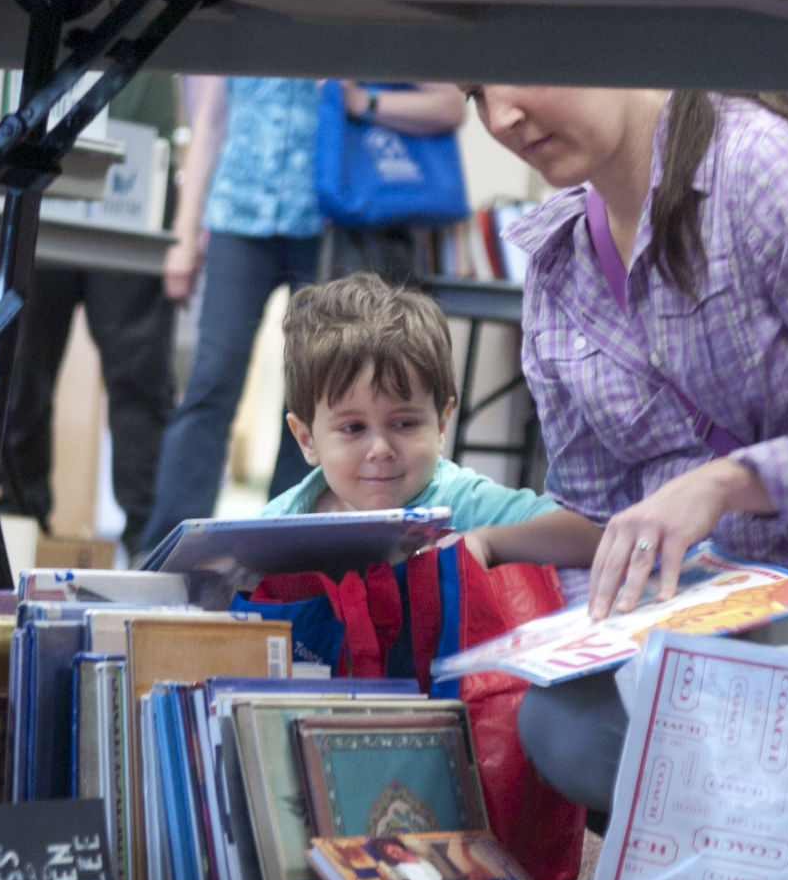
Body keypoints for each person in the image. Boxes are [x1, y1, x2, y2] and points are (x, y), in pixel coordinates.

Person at [457, 86, 788, 812]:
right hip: (701, 617)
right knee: (551, 718)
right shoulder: (557, 263)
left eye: (517, 72)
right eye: (475, 92)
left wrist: (731, 481)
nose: (501, 118)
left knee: (676, 704)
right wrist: (491, 544)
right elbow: (605, 515)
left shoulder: (762, 167)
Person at [263, 271, 602, 538]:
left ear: (441, 425)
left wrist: (489, 541)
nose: (380, 449)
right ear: (307, 439)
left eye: (405, 423)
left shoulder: (462, 503)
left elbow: (590, 533)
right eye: (353, 428)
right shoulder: (277, 527)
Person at [138, 76, 325, 556]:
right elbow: (211, 120)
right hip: (237, 213)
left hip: (327, 211)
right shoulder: (243, 14)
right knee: (212, 379)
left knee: (313, 391)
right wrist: (183, 233)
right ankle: (167, 551)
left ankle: (288, 550)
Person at [0, 71, 177, 560]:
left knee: (138, 380)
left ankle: (149, 547)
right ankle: (14, 534)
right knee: (16, 373)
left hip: (136, 163)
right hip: (37, 160)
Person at [317, 81, 468, 285]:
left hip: (357, 223)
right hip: (269, 216)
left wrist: (364, 101)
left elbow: (451, 105)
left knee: (358, 311)